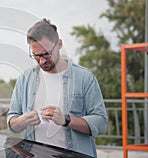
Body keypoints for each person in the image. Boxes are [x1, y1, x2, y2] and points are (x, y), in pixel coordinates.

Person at [7, 18, 108, 157]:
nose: (42, 60)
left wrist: (66, 120)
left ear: (59, 44)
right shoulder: (25, 79)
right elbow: (12, 122)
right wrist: (21, 121)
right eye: (36, 55)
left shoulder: (85, 77)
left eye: (46, 54)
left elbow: (101, 123)